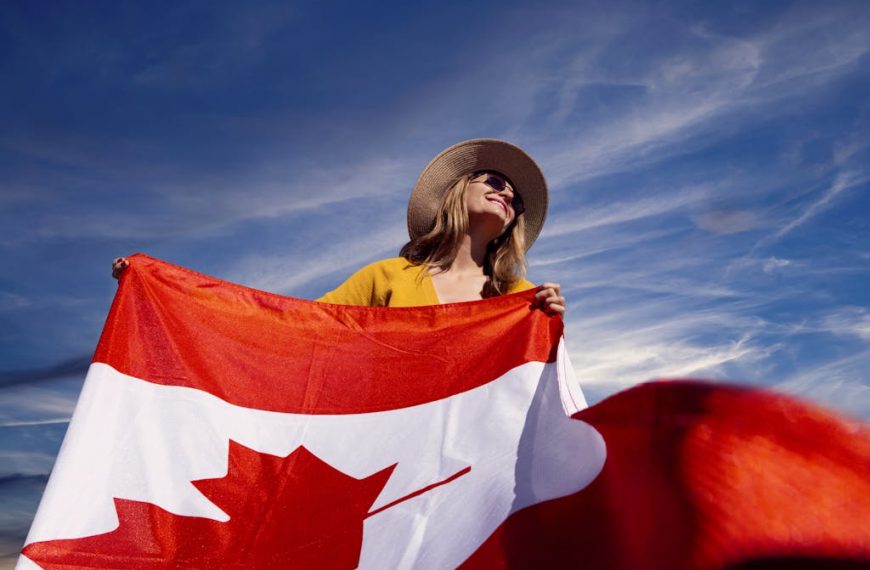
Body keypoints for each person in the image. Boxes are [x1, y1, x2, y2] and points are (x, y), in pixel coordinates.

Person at [113, 139, 565, 314]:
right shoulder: (387, 278)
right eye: (495, 181)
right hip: (392, 448)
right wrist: (165, 289)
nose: (507, 194)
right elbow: (297, 324)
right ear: (457, 191)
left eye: (516, 198)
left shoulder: (519, 296)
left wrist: (549, 325)